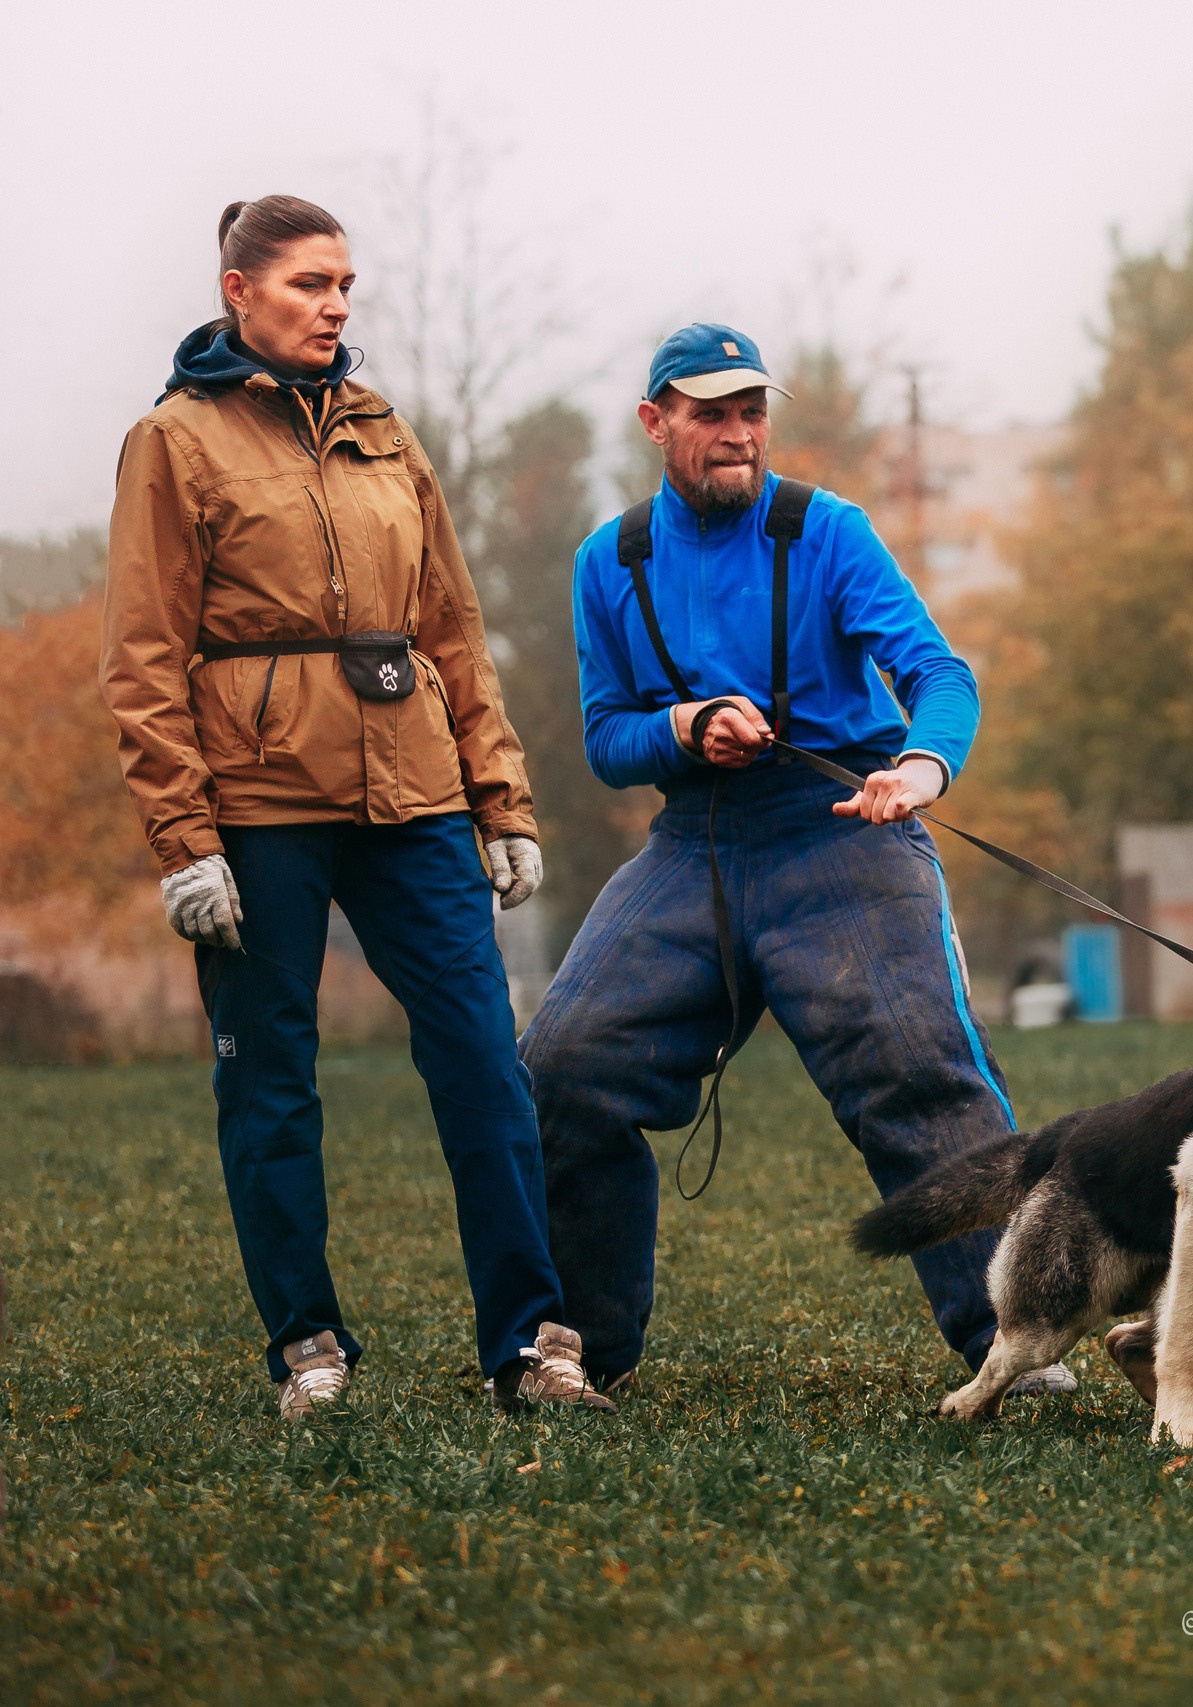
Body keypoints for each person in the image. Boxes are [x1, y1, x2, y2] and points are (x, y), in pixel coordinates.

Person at [100, 195, 612, 1419]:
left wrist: (501, 797)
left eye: (344, 286)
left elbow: (452, 628)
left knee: (488, 1063)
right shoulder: (172, 442)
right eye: (308, 284)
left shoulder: (384, 433)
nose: (335, 305)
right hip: (260, 806)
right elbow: (142, 656)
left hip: (415, 794)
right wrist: (184, 840)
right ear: (239, 291)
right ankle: (308, 1346)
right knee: (269, 1077)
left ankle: (531, 1343)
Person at [523, 324, 1069, 1400]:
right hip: (694, 846)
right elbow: (603, 739)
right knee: (558, 1065)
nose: (736, 434)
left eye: (750, 412)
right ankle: (581, 1347)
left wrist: (920, 768)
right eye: (709, 413)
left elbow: (938, 671)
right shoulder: (610, 561)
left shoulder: (828, 532)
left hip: (844, 825)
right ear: (656, 422)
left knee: (923, 1075)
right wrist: (683, 726)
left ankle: (1015, 1346)